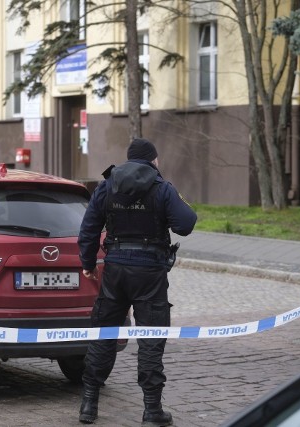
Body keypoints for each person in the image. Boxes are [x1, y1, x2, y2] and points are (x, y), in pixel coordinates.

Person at [77, 137, 197, 426]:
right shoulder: (162, 188)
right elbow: (186, 224)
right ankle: (152, 410)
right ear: (153, 160)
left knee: (103, 335)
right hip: (150, 274)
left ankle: (89, 405)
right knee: (151, 340)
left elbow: (89, 228)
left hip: (116, 270)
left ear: (129, 159)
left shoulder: (106, 185)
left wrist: (88, 263)